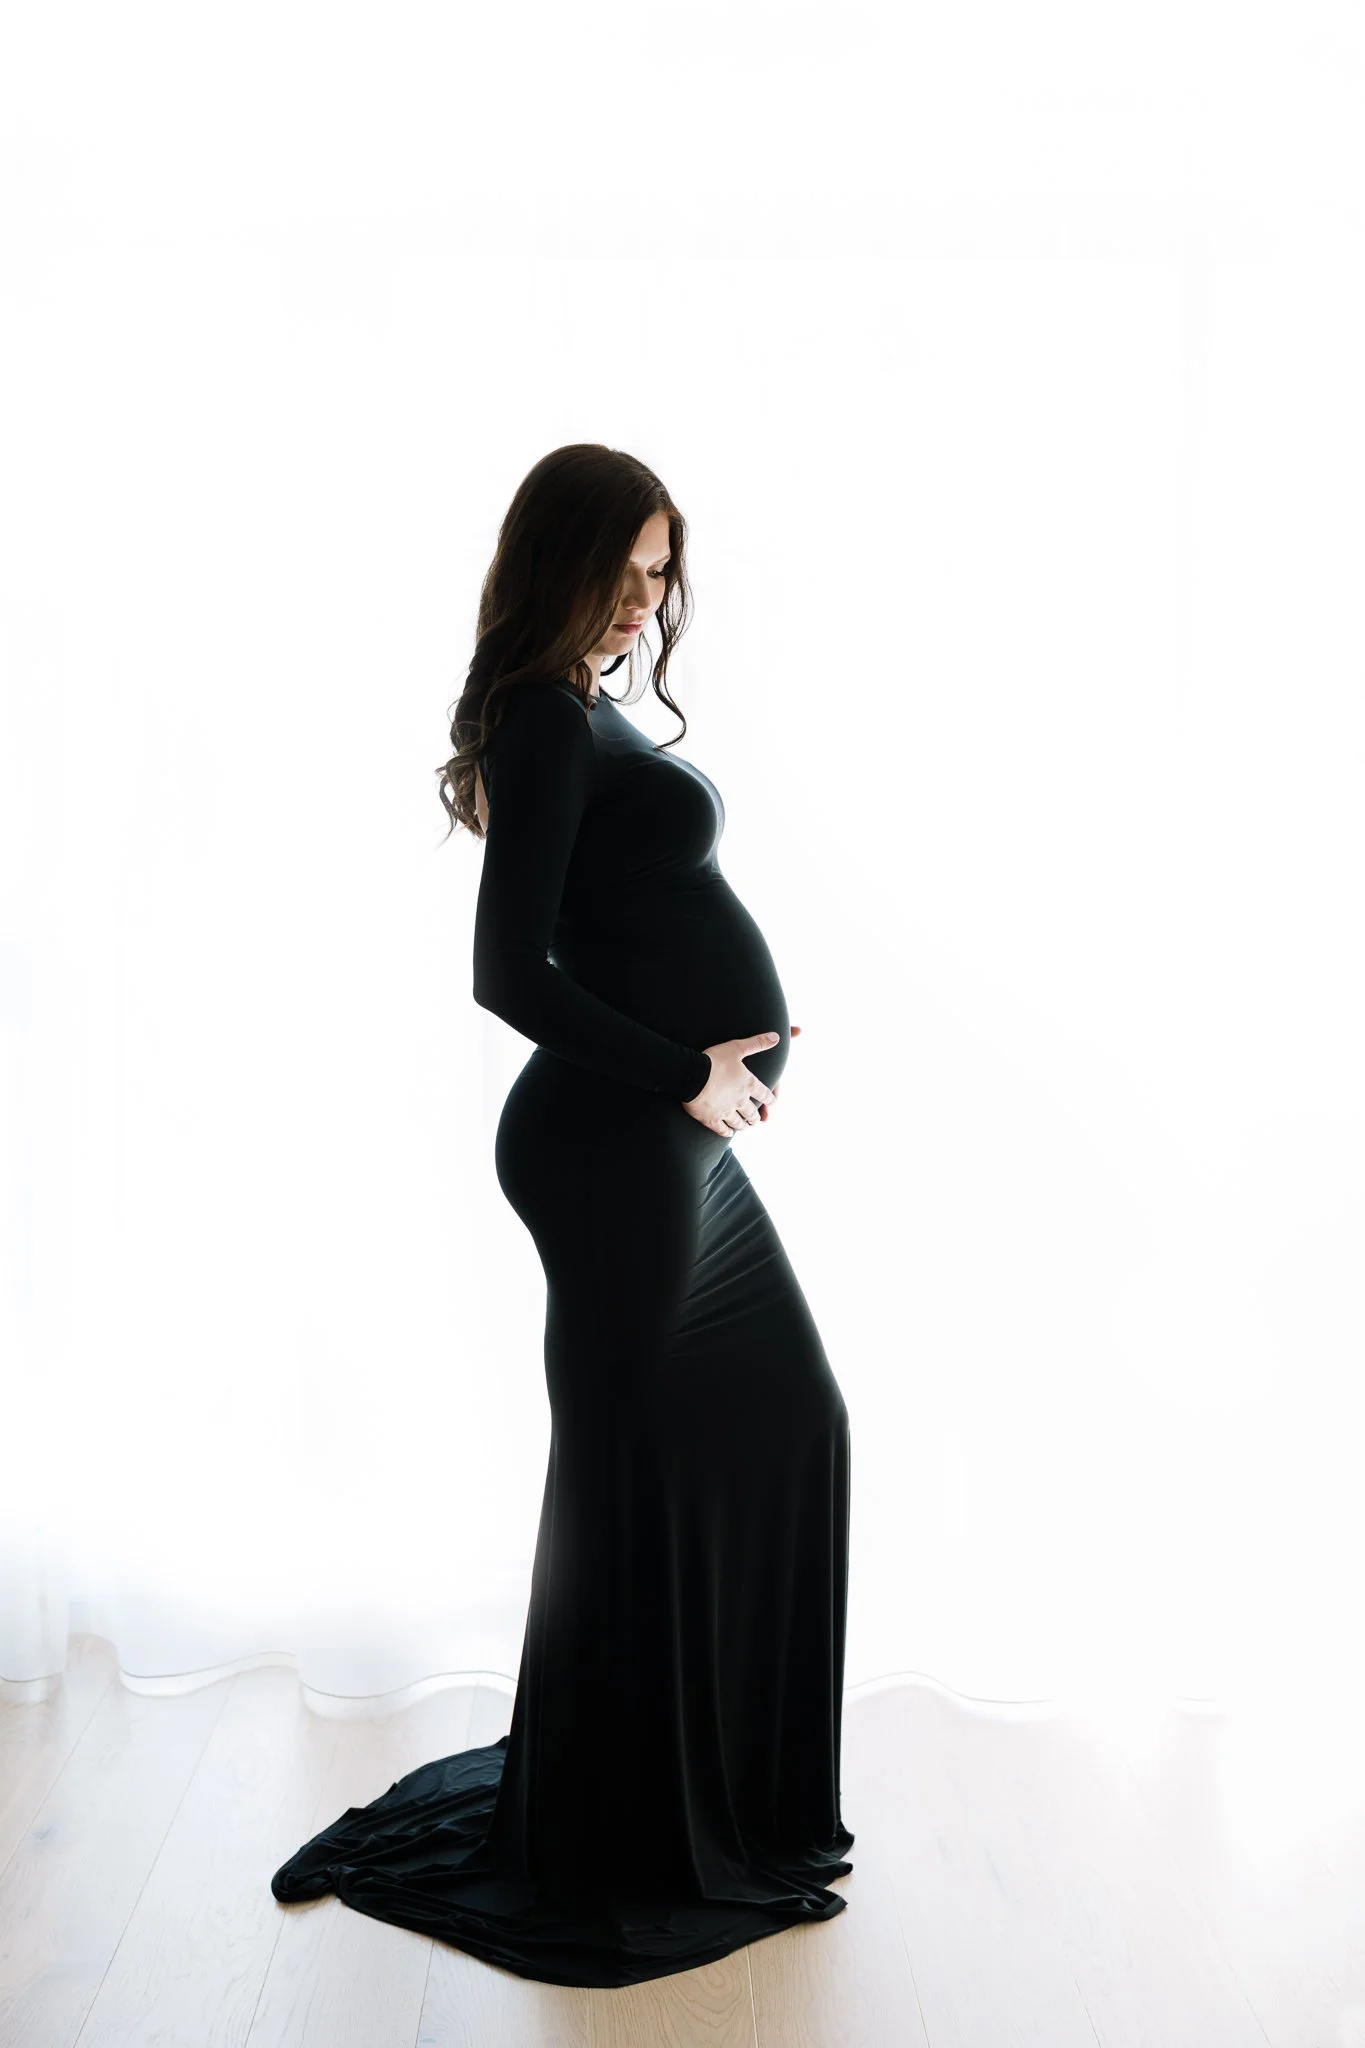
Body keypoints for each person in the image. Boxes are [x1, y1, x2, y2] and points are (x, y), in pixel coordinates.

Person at [270, 442, 854, 1988]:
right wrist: (682, 1071)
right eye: (629, 570)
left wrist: (709, 1083)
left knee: (791, 1425)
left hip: (677, 1154)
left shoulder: (589, 709)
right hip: (609, 1149)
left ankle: (728, 1795)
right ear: (564, 560)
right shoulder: (538, 717)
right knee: (626, 1476)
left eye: (665, 575)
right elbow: (507, 974)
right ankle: (621, 1836)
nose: (648, 601)